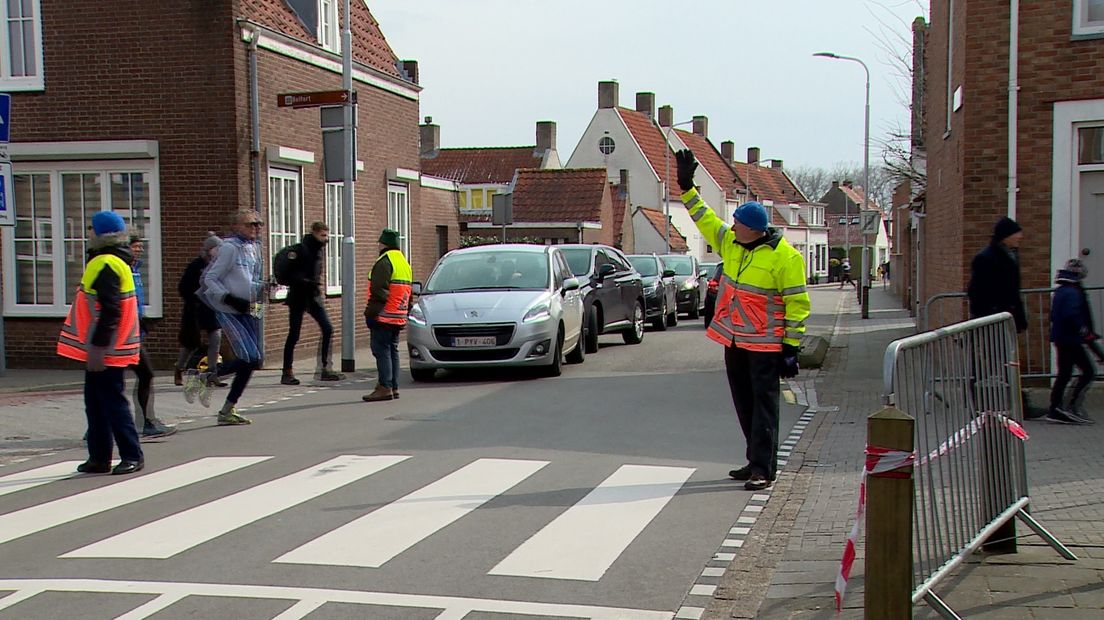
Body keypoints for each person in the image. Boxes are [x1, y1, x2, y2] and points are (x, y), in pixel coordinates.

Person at [675, 150, 811, 491]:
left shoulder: (785, 258)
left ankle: (764, 469)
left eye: (737, 222)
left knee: (765, 406)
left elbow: (797, 303)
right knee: (744, 403)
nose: (730, 225)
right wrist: (687, 186)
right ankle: (754, 460)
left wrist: (791, 346)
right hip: (734, 340)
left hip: (765, 343)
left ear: (752, 230)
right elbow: (704, 218)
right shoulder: (732, 243)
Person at [57, 211, 144, 475]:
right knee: (95, 403)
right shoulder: (114, 261)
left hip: (106, 349)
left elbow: (110, 310)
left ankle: (131, 455)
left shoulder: (106, 263)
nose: (88, 234)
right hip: (107, 347)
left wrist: (97, 347)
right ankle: (99, 457)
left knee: (111, 403)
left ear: (100, 234)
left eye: (91, 229)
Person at [191, 209, 267, 425]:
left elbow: (251, 278)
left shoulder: (255, 248)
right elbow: (210, 279)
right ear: (236, 226)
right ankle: (203, 377)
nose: (255, 228)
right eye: (250, 224)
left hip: (249, 306)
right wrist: (228, 298)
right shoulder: (229, 248)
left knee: (255, 360)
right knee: (247, 357)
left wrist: (265, 287)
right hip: (228, 308)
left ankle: (227, 409)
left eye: (258, 224)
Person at [281, 221, 344, 385]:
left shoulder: (319, 250)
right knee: (294, 334)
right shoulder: (302, 249)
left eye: (326, 235)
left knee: (328, 328)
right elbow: (290, 274)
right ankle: (287, 372)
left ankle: (325, 369)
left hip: (313, 296)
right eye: (323, 235)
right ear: (314, 233)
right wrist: (304, 281)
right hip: (298, 296)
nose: (326, 239)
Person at [128, 234, 176, 439]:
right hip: (127, 335)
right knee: (145, 374)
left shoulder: (134, 270)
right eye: (134, 246)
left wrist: (142, 319)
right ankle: (146, 422)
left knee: (139, 376)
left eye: (140, 246)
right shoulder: (123, 270)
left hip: (134, 332)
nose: (138, 250)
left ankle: (144, 421)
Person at [362, 228, 412, 403]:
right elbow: (408, 291)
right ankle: (393, 385)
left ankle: (384, 386)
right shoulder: (403, 263)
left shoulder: (384, 261)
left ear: (383, 244)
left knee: (381, 351)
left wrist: (371, 312)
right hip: (398, 314)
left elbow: (378, 290)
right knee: (392, 350)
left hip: (383, 314)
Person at [1047, 259, 1095, 425]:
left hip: (1062, 338)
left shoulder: (1061, 290)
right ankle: (1069, 405)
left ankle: (1057, 406)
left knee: (1065, 373)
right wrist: (1083, 330)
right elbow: (1071, 314)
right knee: (1088, 371)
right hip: (1070, 339)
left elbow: (1055, 315)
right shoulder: (1073, 292)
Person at [174, 233, 224, 387]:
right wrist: (195, 298)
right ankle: (179, 368)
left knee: (216, 338)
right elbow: (183, 287)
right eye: (216, 249)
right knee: (191, 342)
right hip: (196, 308)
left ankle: (212, 373)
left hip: (212, 307)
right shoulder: (196, 266)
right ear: (208, 250)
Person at [967, 217, 1027, 331]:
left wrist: (1019, 318)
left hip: (1008, 317)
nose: (1020, 236)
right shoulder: (985, 259)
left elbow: (1013, 290)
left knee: (1008, 348)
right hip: (993, 320)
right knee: (995, 348)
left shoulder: (1012, 255)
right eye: (1016, 233)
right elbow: (976, 291)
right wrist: (988, 315)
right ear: (1006, 236)